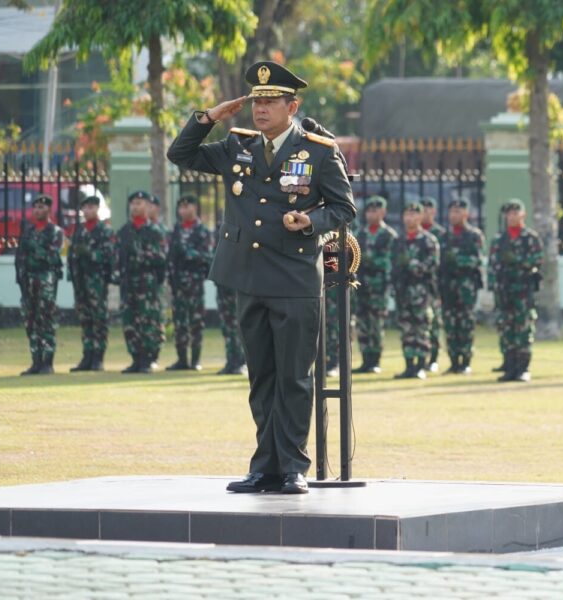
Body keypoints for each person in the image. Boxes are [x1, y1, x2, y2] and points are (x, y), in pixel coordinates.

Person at [167, 60, 356, 494]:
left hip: (293, 281)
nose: (261, 108)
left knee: (293, 378)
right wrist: (210, 117)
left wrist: (308, 222)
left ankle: (293, 467)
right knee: (261, 378)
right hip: (249, 278)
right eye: (256, 101)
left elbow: (344, 208)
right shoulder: (239, 145)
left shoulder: (319, 150)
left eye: (270, 101)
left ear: (293, 105)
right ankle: (264, 467)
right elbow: (180, 155)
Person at [487, 199, 543, 382]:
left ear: (522, 215)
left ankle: (523, 368)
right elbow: (493, 265)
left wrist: (517, 261)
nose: (512, 217)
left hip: (523, 292)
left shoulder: (530, 238)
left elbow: (537, 261)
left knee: (523, 329)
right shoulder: (499, 239)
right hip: (504, 292)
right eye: (509, 214)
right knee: (506, 330)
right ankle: (509, 366)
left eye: (515, 213)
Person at [117, 191, 167, 374]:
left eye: (139, 203)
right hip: (129, 283)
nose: (135, 206)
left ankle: (148, 358)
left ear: (147, 206)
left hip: (148, 284)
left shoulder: (154, 231)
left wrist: (140, 257)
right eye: (133, 203)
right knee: (130, 320)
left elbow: (161, 258)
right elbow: (119, 258)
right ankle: (135, 358)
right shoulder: (124, 231)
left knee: (148, 321)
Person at [16, 194, 64, 375]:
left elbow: (51, 257)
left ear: (49, 210)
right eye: (35, 207)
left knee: (46, 320)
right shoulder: (28, 232)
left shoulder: (55, 232)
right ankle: (36, 361)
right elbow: (20, 257)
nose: (38, 210)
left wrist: (34, 249)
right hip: (28, 281)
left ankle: (48, 362)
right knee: (31, 320)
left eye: (42, 207)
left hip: (45, 281)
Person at [391, 201, 440, 379]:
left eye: (413, 215)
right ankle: (409, 365)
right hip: (403, 291)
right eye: (407, 215)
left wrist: (412, 265)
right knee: (406, 328)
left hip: (421, 292)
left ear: (420, 217)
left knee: (421, 328)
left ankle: (421, 365)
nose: (409, 218)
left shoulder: (428, 240)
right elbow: (393, 264)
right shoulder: (398, 240)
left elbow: (432, 265)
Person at [67, 195, 114, 372]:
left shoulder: (104, 231)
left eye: (92, 207)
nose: (88, 211)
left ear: (97, 209)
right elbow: (72, 256)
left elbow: (108, 256)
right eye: (85, 208)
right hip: (81, 282)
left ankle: (98, 357)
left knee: (98, 320)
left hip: (97, 282)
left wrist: (90, 254)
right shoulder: (78, 231)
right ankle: (87, 356)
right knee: (85, 319)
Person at [166, 195, 213, 371]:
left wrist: (188, 252)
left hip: (194, 284)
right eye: (181, 207)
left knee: (196, 322)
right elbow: (170, 256)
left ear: (195, 208)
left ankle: (195, 360)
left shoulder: (202, 232)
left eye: (187, 206)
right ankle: (181, 360)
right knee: (179, 323)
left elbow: (207, 257)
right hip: (178, 284)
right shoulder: (176, 231)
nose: (183, 210)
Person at [440, 197, 485, 374]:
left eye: (458, 211)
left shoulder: (474, 235)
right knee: (450, 326)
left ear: (466, 214)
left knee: (465, 325)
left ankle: (465, 362)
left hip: (466, 288)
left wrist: (458, 259)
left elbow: (478, 259)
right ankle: (453, 361)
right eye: (451, 211)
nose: (454, 215)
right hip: (448, 288)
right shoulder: (444, 237)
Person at [353, 196, 397, 374]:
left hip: (379, 287)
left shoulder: (389, 235)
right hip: (362, 285)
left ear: (383, 212)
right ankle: (365, 359)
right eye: (369, 210)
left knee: (376, 324)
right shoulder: (360, 234)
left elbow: (390, 262)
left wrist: (372, 261)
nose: (371, 214)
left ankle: (375, 360)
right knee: (363, 323)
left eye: (375, 210)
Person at [420, 196, 446, 372]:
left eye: (427, 210)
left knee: (434, 323)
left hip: (435, 285)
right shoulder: (413, 235)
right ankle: (422, 355)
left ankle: (434, 357)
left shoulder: (440, 234)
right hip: (418, 286)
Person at [148, 194, 169, 367]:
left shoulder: (161, 230)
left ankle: (154, 353)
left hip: (156, 280)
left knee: (156, 317)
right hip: (139, 283)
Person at [215, 281, 247, 375]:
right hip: (225, 286)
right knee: (228, 328)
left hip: (231, 286)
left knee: (233, 327)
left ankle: (237, 362)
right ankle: (233, 362)